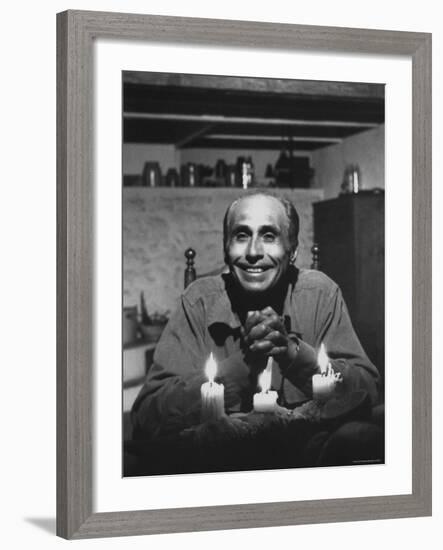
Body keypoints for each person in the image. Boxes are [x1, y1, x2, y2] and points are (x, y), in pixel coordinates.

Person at [131, 193, 380, 440]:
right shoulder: (200, 302)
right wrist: (238, 370)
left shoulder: (320, 295)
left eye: (269, 236)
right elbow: (147, 414)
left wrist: (294, 355)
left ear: (292, 250)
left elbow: (368, 390)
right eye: (241, 235)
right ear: (226, 249)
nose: (253, 251)